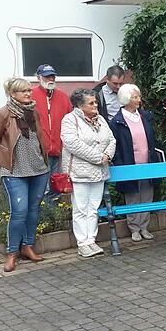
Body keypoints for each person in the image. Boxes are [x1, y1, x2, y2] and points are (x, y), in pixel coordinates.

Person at [0, 77, 48, 272]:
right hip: (14, 170)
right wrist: (3, 160)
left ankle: (27, 246)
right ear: (12, 94)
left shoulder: (34, 112)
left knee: (33, 209)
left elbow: (39, 137)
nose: (28, 94)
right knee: (19, 211)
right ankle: (12, 252)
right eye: (23, 91)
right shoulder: (2, 114)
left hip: (38, 168)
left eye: (29, 91)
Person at [60, 89, 116, 258]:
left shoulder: (101, 119)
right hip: (80, 172)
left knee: (93, 208)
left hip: (99, 171)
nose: (95, 105)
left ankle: (91, 240)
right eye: (91, 103)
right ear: (80, 105)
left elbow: (111, 139)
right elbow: (72, 144)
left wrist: (107, 155)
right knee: (80, 208)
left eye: (96, 102)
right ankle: (82, 243)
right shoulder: (70, 120)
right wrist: (99, 157)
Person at [109, 84, 159, 242]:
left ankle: (144, 227)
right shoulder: (117, 121)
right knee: (132, 197)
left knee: (147, 196)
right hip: (129, 165)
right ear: (126, 100)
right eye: (135, 97)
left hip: (147, 163)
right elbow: (115, 145)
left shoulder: (145, 116)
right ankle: (134, 229)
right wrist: (119, 163)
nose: (139, 100)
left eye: (138, 96)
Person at [30, 64, 72, 178]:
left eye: (53, 76)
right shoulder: (30, 96)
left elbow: (70, 121)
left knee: (56, 183)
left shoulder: (63, 97)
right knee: (41, 186)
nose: (51, 79)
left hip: (59, 149)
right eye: (47, 76)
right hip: (37, 150)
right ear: (39, 78)